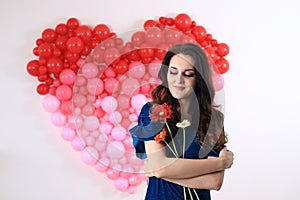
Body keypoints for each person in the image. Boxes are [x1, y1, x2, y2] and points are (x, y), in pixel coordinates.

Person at [129, 43, 234, 200]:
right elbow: (159, 167)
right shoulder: (152, 112)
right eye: (173, 72)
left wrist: (163, 170)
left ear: (199, 78)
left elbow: (214, 181)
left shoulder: (214, 119)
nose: (178, 80)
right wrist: (220, 164)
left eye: (188, 74)